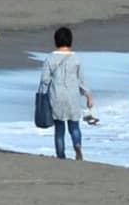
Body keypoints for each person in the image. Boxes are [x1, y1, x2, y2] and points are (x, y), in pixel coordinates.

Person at [39, 27, 93, 160]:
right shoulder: (76, 59)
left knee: (59, 130)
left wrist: (42, 95)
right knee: (74, 126)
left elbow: (45, 80)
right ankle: (77, 144)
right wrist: (88, 95)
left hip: (56, 96)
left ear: (56, 41)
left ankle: (61, 156)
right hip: (72, 97)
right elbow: (81, 81)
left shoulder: (50, 58)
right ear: (70, 41)